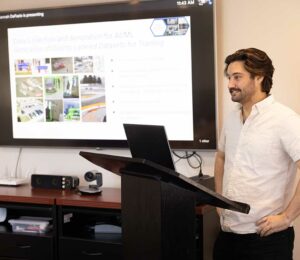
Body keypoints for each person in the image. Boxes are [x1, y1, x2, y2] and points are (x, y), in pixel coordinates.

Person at [213, 48, 300, 260]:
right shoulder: (232, 117)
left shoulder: (285, 119)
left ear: (259, 77)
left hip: (266, 240)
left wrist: (288, 216)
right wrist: (218, 202)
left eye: (237, 77)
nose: (230, 84)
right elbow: (221, 156)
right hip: (228, 235)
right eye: (229, 77)